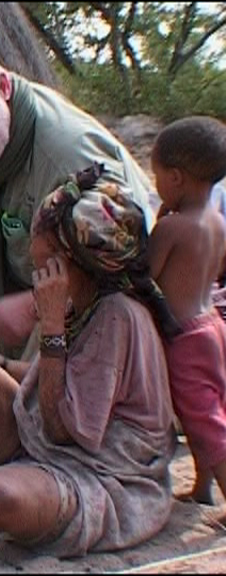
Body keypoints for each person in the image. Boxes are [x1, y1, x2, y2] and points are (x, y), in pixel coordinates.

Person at [0, 164, 179, 557]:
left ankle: (5, 496)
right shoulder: (84, 302)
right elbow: (45, 382)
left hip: (102, 476)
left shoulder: (115, 317)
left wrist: (52, 326)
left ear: (69, 259)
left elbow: (61, 430)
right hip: (52, 450)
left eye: (40, 240)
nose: (31, 247)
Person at [0, 39, 154, 358]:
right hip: (37, 275)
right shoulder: (10, 130)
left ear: (2, 86)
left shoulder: (65, 152)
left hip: (104, 293)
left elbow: (127, 254)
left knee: (30, 390)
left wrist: (32, 306)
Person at [147, 116, 226, 516]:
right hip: (213, 324)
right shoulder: (217, 223)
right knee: (212, 408)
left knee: (204, 419)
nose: (156, 185)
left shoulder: (173, 229)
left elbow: (145, 275)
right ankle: (201, 486)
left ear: (175, 178)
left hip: (185, 336)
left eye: (156, 176)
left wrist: (157, 224)